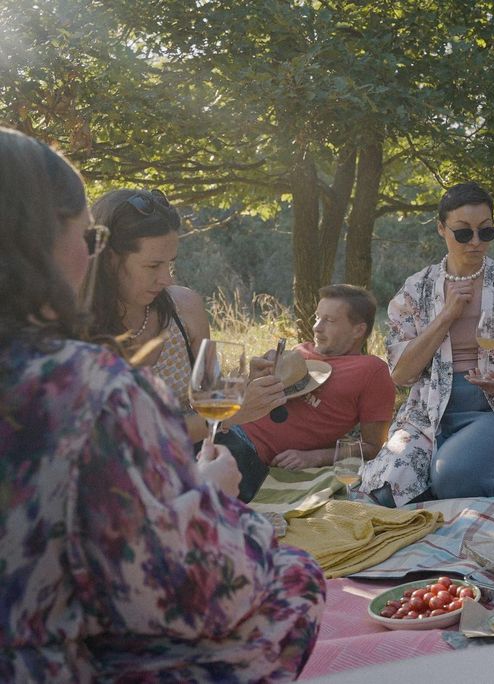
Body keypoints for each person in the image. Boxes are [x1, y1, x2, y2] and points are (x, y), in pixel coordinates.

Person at [0, 127, 324, 680]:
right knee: (294, 576)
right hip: (47, 659)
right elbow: (188, 593)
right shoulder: (88, 385)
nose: (166, 277)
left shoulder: (177, 311)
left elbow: (210, 389)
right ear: (42, 244)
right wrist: (212, 501)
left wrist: (243, 392)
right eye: (88, 238)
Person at [360, 182, 494, 507]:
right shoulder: (416, 289)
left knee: (452, 477)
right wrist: (446, 316)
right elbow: (401, 374)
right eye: (463, 233)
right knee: (386, 491)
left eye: (486, 231)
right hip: (427, 411)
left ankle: (487, 474)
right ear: (441, 228)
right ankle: (453, 478)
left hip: (493, 409)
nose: (476, 242)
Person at [87, 188, 285, 442]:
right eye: (153, 265)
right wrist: (228, 415)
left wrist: (247, 387)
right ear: (109, 260)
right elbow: (120, 437)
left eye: (170, 263)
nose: (166, 279)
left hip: (204, 458)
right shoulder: (75, 328)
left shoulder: (185, 307)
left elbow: (210, 394)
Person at [220, 284, 396, 501]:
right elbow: (250, 401)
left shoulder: (371, 371)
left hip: (247, 450)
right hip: (224, 424)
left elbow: (373, 447)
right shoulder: (299, 352)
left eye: (329, 320)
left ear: (358, 330)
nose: (317, 327)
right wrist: (253, 377)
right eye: (317, 317)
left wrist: (314, 457)